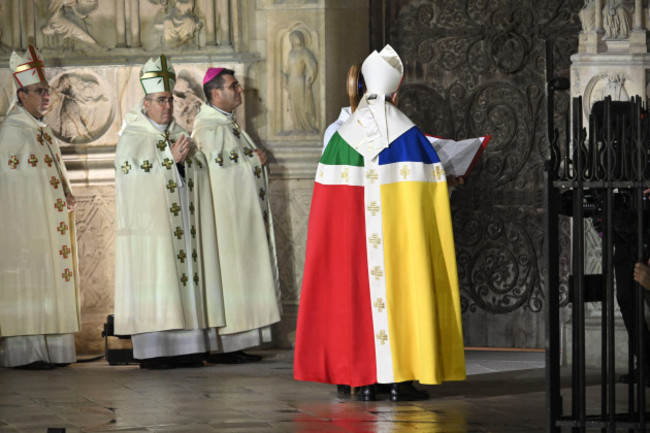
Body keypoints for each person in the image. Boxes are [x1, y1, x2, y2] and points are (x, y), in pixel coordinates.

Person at [294, 45, 466, 401]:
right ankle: (398, 381)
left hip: (353, 243)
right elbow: (427, 203)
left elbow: (326, 206)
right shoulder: (410, 137)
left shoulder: (341, 138)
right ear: (396, 91)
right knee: (402, 293)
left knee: (355, 296)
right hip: (399, 246)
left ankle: (363, 380)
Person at [113, 55, 225, 369]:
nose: (167, 106)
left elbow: (199, 172)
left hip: (184, 233)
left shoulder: (179, 133)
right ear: (145, 103)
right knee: (159, 281)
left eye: (169, 100)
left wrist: (188, 163)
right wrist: (169, 162)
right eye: (161, 100)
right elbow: (130, 181)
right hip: (151, 236)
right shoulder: (132, 139)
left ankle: (189, 348)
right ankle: (156, 351)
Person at [192, 68, 281, 364]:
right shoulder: (209, 129)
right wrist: (253, 163)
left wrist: (256, 160)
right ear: (216, 93)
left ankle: (238, 343)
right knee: (230, 278)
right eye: (234, 86)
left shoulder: (228, 125)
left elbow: (238, 163)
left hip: (239, 218)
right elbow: (219, 177)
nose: (240, 90)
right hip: (224, 222)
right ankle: (225, 345)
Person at [0, 45, 80, 369]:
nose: (47, 96)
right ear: (21, 95)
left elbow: (52, 174)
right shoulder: (11, 134)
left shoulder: (42, 131)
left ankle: (53, 351)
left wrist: (66, 194)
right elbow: (11, 188)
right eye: (39, 91)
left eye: (47, 90)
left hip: (51, 224)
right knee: (30, 282)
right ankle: (28, 353)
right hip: (25, 230)